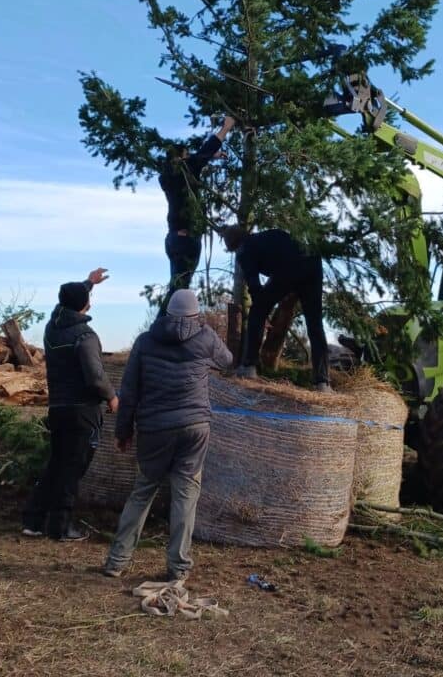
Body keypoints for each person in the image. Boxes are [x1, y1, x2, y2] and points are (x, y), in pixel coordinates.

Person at [103, 288, 233, 581]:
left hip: (154, 429)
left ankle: (116, 562)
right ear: (195, 314)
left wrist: (123, 431)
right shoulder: (205, 337)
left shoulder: (145, 341)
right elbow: (228, 361)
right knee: (185, 496)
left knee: (142, 492)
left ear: (167, 313)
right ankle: (178, 569)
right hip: (194, 427)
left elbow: (129, 390)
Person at [21, 268, 116, 542]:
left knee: (57, 464)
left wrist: (89, 283)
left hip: (58, 408)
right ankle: (61, 526)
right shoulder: (85, 336)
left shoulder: (52, 328)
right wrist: (111, 396)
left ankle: (34, 520)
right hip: (83, 410)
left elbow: (61, 306)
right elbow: (95, 377)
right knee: (73, 468)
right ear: (86, 305)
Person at [221, 226, 331, 391]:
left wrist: (261, 312)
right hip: (312, 263)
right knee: (315, 323)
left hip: (289, 266)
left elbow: (254, 286)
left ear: (233, 245)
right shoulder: (265, 237)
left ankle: (249, 366)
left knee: (257, 311)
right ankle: (322, 382)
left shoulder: (244, 250)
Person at [158, 116, 235, 303]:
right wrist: (226, 128)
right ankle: (165, 321)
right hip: (186, 238)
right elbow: (204, 151)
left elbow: (198, 157)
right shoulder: (185, 169)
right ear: (180, 158)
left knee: (178, 287)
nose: (189, 157)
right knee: (178, 290)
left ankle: (168, 319)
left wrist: (210, 157)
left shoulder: (166, 176)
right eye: (186, 154)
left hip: (173, 238)